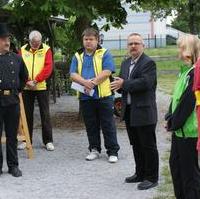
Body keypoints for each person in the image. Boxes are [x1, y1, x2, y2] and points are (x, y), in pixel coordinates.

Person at [111, 33, 159, 190]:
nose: (133, 46)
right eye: (130, 43)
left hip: (144, 111)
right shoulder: (125, 63)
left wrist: (124, 83)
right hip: (129, 111)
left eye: (136, 43)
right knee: (136, 144)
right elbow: (121, 83)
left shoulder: (148, 63)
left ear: (143, 46)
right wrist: (113, 84)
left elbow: (145, 83)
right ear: (127, 46)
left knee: (148, 145)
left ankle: (152, 177)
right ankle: (140, 173)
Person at [70, 28, 120, 163]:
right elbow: (73, 74)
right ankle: (94, 149)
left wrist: (92, 83)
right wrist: (85, 83)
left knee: (108, 124)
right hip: (86, 97)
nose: (88, 42)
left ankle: (112, 151)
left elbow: (107, 71)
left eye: (91, 39)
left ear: (97, 40)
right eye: (86, 39)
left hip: (104, 96)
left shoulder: (105, 53)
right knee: (91, 125)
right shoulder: (77, 55)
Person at [165, 35, 200, 199]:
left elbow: (188, 103)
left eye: (181, 47)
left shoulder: (195, 74)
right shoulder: (184, 72)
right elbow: (176, 98)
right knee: (176, 168)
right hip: (179, 131)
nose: (178, 51)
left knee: (189, 175)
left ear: (190, 50)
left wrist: (175, 123)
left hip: (189, 132)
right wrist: (169, 116)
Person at [18, 30, 54, 151]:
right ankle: (26, 140)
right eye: (34, 42)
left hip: (41, 86)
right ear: (29, 41)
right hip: (27, 86)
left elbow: (48, 67)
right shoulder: (22, 49)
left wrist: (36, 80)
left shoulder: (46, 49)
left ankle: (48, 141)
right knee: (26, 114)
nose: (36, 44)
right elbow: (19, 66)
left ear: (41, 40)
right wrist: (27, 80)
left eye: (38, 42)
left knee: (45, 114)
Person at [0, 23, 28, 177]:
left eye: (8, 39)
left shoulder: (16, 58)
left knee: (12, 135)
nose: (7, 42)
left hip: (12, 100)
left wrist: (16, 91)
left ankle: (13, 166)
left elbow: (24, 77)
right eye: (3, 39)